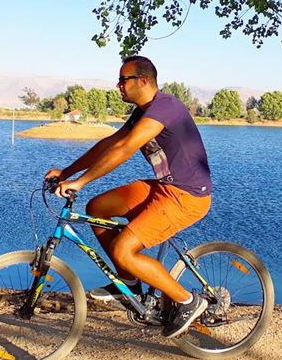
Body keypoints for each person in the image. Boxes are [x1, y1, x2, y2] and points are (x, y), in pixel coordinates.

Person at [44, 55, 212, 339]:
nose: (118, 85)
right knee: (97, 207)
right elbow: (110, 144)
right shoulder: (142, 112)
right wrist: (67, 172)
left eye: (124, 79)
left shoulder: (165, 108)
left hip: (187, 195)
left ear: (143, 81)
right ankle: (130, 281)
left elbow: (125, 149)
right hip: (163, 187)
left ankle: (188, 301)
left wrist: (81, 181)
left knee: (124, 249)